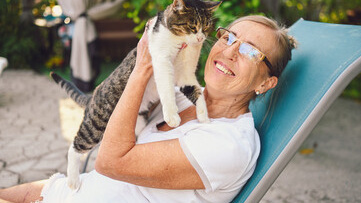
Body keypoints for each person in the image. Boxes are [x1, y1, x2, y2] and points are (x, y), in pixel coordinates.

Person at [0, 15, 297, 203]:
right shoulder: (186, 95)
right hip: (70, 191)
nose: (229, 51)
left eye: (250, 51)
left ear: (265, 83)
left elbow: (110, 161)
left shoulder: (228, 145)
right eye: (229, 37)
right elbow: (114, 103)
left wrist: (143, 67)